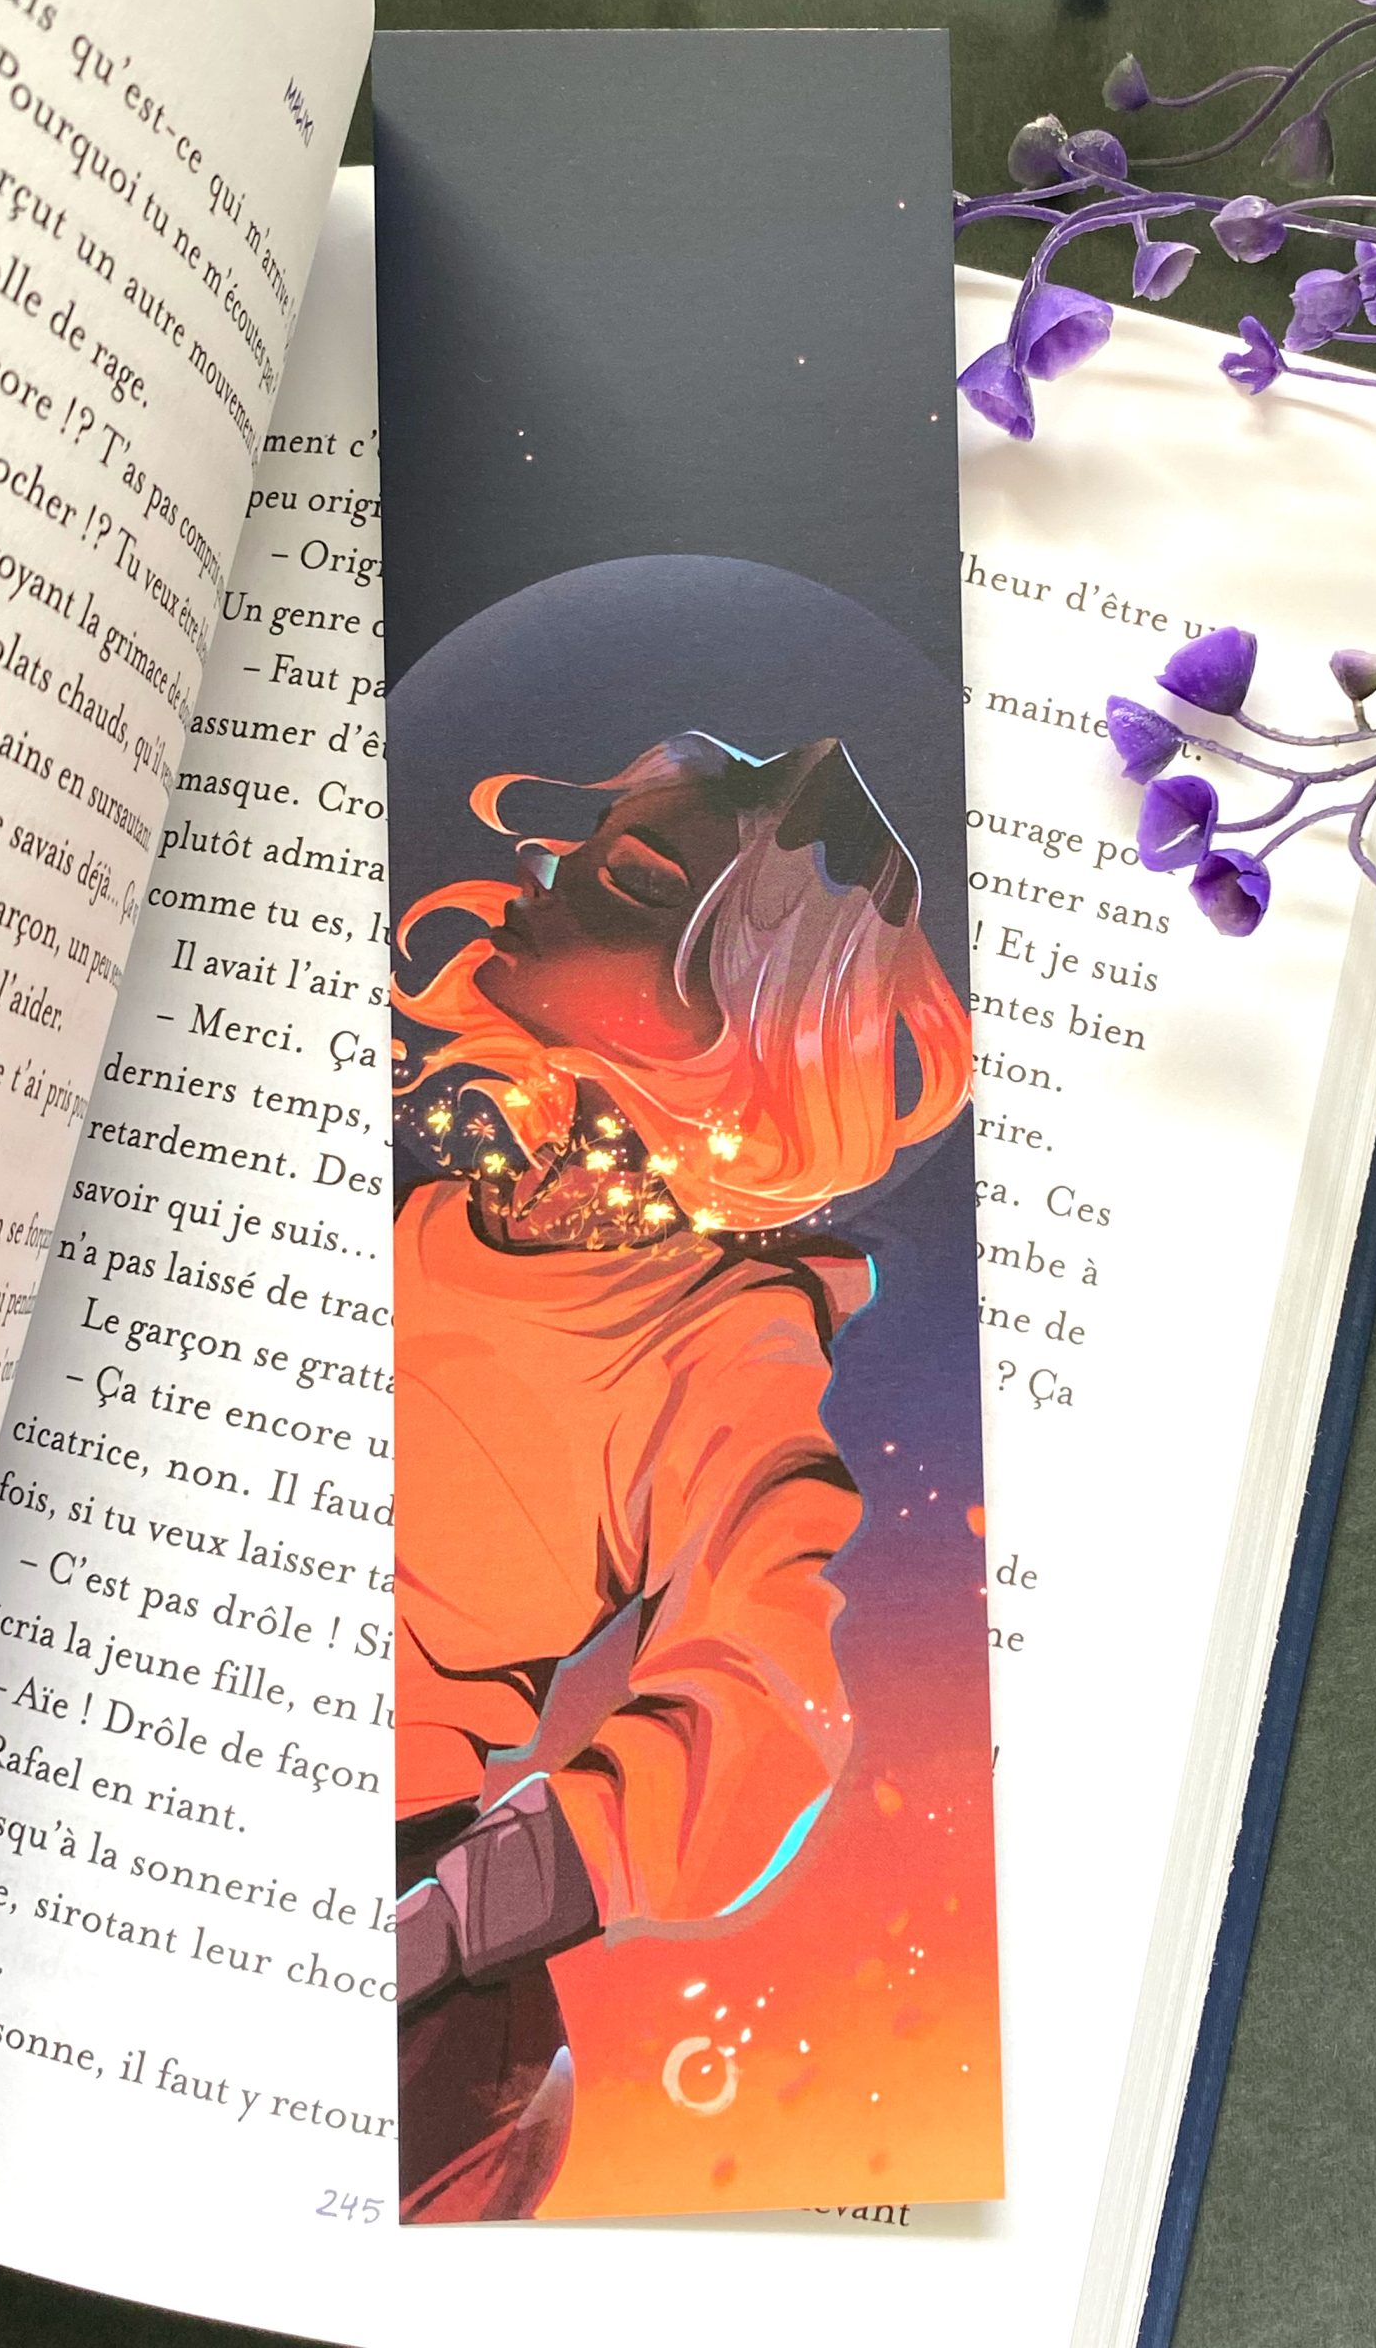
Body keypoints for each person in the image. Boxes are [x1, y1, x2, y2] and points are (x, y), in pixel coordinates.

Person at [390, 729, 970, 2222]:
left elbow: (766, 1712)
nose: (543, 868)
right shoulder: (433, 1200)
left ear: (733, 1024)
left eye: (630, 882)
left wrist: (441, 1927)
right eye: (590, 846)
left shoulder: (719, 1344)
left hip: (409, 2017)